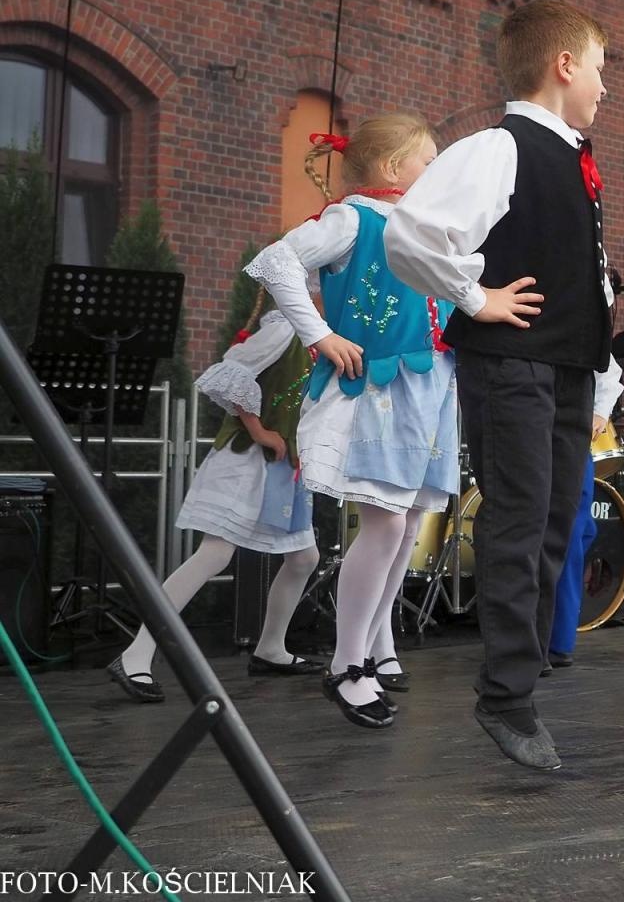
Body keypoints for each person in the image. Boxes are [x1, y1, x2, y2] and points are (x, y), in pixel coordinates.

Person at [384, 0, 612, 771]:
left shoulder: (573, 160)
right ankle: (506, 696)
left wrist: (602, 368)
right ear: (565, 66)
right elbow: (412, 233)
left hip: (565, 367)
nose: (605, 87)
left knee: (554, 518)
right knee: (518, 517)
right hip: (512, 364)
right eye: (600, 70)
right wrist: (475, 297)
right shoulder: (499, 147)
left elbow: (585, 277)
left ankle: (527, 668)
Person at [246, 115, 456, 730]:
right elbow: (276, 262)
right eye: (427, 161)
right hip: (380, 386)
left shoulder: (421, 227)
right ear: (392, 167)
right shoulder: (353, 220)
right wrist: (320, 334)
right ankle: (347, 664)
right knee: (387, 521)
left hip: (427, 387)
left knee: (407, 521)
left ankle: (373, 645)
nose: (435, 172)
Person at [108, 290, 323, 701]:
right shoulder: (284, 329)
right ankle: (136, 654)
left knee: (303, 558)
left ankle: (271, 648)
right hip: (244, 463)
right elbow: (232, 369)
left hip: (282, 471)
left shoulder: (316, 340)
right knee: (214, 553)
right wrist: (259, 430)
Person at [547, 356, 624, 669]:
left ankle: (557, 640)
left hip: (569, 439)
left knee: (568, 536)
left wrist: (599, 413)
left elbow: (609, 372)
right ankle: (541, 639)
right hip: (535, 434)